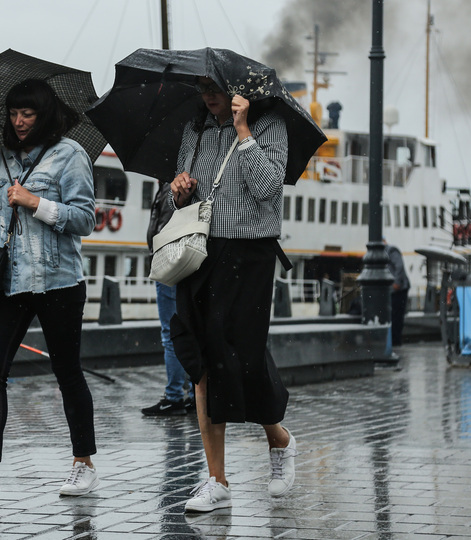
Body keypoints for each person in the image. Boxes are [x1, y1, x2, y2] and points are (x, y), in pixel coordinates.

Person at [0, 79, 99, 500]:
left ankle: (84, 464)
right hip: (9, 282)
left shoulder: (70, 155)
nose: (19, 121)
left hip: (59, 280)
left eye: (27, 113)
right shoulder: (3, 158)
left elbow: (84, 219)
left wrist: (35, 203)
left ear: (44, 113)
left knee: (67, 373)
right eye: (13, 113)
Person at [169, 76, 296, 513]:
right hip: (201, 250)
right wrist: (179, 192)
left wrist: (244, 132)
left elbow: (267, 188)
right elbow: (178, 200)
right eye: (203, 88)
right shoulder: (195, 128)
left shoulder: (270, 125)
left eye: (216, 88)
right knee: (203, 360)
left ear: (240, 91)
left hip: (250, 251)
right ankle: (217, 480)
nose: (209, 96)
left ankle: (277, 439)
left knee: (242, 352)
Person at [141, 180, 193, 416]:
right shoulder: (176, 181)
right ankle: (193, 395)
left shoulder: (172, 185)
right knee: (188, 332)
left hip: (170, 263)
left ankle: (174, 396)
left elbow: (166, 226)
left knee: (171, 333)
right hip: (182, 262)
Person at [385, 238, 410, 346]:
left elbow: (399, 266)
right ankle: (394, 340)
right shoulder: (384, 252)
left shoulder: (391, 250)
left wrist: (397, 283)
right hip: (393, 290)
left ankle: (396, 340)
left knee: (397, 316)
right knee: (394, 315)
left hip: (399, 289)